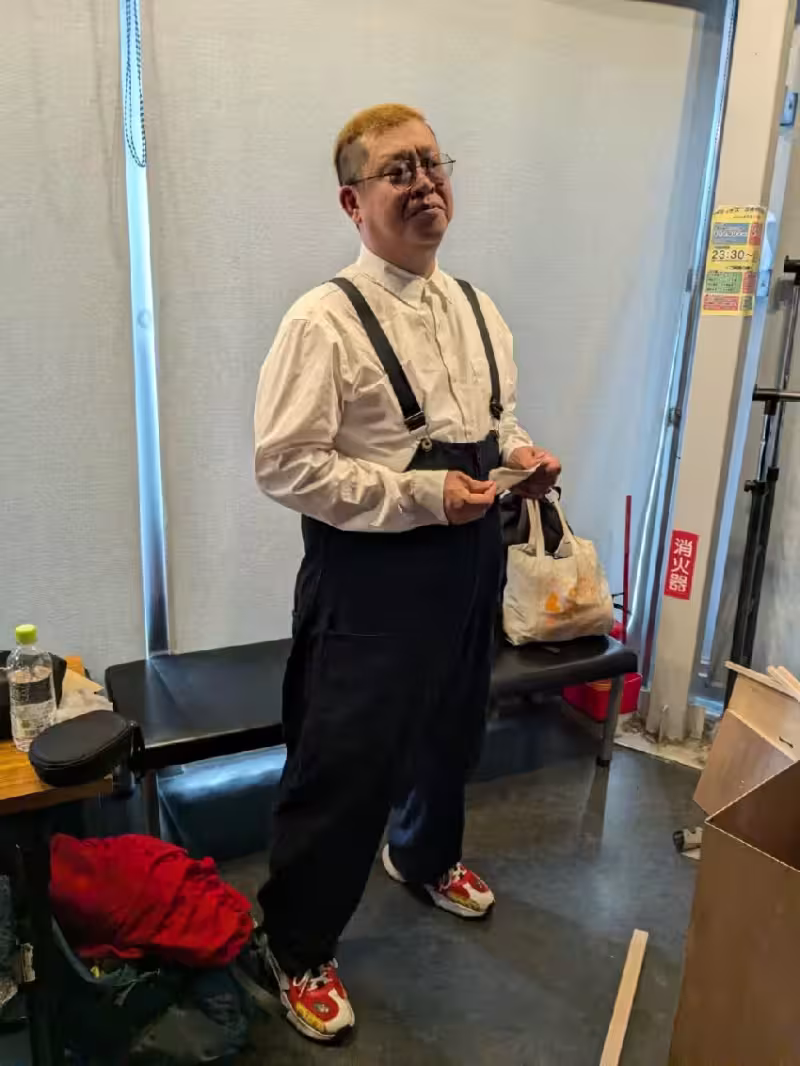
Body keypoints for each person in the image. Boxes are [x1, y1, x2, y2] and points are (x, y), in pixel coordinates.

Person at [249, 103, 560, 1043]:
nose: (424, 182)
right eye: (398, 170)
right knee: (344, 763)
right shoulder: (322, 321)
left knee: (453, 727)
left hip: (471, 558)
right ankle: (295, 945)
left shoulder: (477, 308)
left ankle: (423, 856)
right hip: (369, 578)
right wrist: (422, 496)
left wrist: (520, 456)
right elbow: (285, 465)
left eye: (432, 162)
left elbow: (495, 422)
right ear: (354, 201)